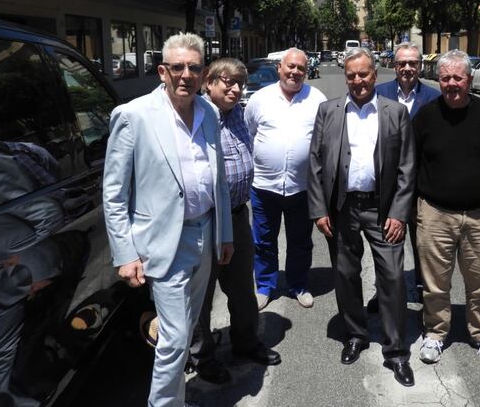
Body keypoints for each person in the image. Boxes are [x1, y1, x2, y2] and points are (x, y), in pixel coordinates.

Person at [103, 32, 233, 407]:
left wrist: (224, 234)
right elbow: (114, 193)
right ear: (162, 71)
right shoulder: (133, 116)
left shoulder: (208, 112)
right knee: (175, 339)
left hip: (205, 234)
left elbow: (219, 180)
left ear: (203, 71)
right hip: (164, 242)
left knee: (187, 326)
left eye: (193, 67)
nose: (185, 75)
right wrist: (125, 253)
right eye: (177, 67)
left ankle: (174, 396)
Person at [146, 59, 282, 384]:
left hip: (236, 215)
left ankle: (245, 343)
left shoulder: (238, 115)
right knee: (202, 296)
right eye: (227, 82)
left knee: (241, 290)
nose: (235, 89)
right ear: (208, 82)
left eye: (240, 84)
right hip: (204, 221)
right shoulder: (196, 114)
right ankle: (202, 357)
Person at [307, 48, 416, 387]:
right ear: (346, 77)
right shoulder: (328, 111)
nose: (358, 81)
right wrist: (320, 209)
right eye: (351, 75)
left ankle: (396, 352)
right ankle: (355, 335)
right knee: (345, 275)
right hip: (342, 208)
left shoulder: (395, 112)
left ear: (375, 74)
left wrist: (399, 213)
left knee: (393, 278)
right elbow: (315, 163)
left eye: (364, 74)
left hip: (382, 210)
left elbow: (407, 168)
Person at [413, 49, 480, 366]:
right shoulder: (426, 116)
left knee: (479, 281)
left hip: (479, 214)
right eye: (445, 78)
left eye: (458, 77)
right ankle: (435, 333)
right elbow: (411, 164)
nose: (451, 83)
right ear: (438, 80)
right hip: (434, 213)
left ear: (469, 79)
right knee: (434, 282)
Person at [245, 48, 326, 309]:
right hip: (264, 186)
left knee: (300, 241)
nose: (295, 72)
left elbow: (324, 142)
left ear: (306, 71)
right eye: (290, 67)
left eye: (300, 68)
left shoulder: (317, 99)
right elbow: (249, 135)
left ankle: (298, 284)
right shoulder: (260, 99)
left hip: (301, 188)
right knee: (264, 240)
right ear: (280, 67)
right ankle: (265, 285)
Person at [374, 42, 440, 302]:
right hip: (388, 187)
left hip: (423, 188)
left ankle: (425, 294)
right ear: (394, 65)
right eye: (402, 63)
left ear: (421, 66)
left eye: (413, 63)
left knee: (424, 246)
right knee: (387, 246)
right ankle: (385, 294)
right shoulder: (379, 94)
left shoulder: (434, 98)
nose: (407, 68)